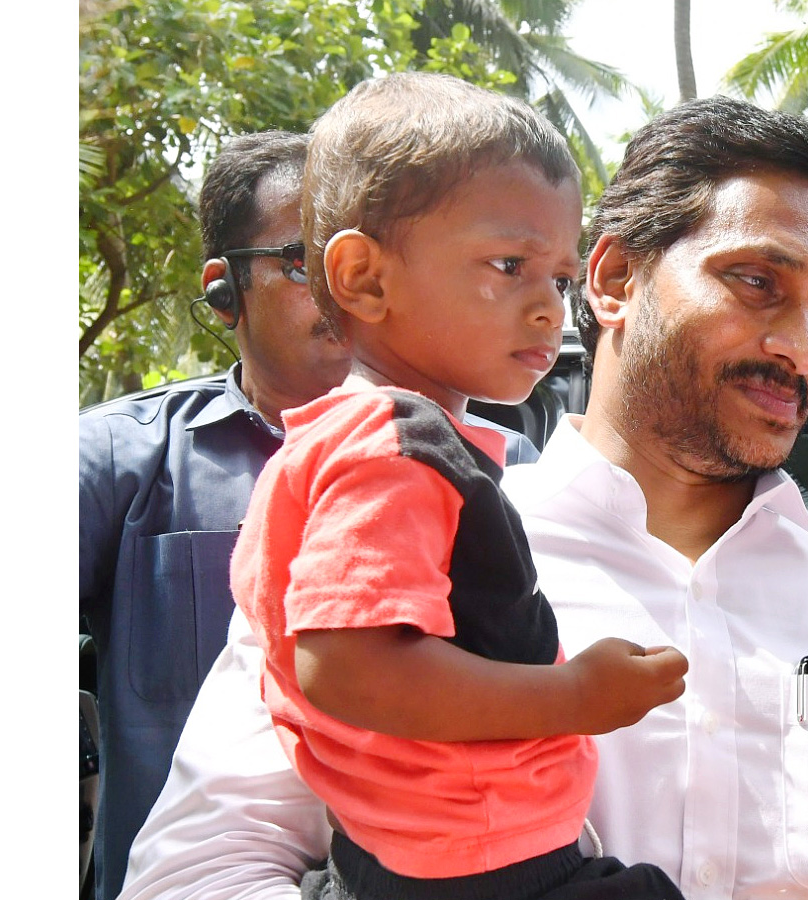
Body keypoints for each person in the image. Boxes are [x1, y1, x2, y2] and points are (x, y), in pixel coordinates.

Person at [122, 96, 808, 900]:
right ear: (614, 281)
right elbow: (199, 869)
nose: (799, 351)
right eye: (756, 283)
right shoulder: (404, 536)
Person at [233, 73, 690, 900]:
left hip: (402, 852)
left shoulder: (354, 441)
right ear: (364, 279)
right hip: (477, 865)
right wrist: (574, 694)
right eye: (509, 265)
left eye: (556, 276)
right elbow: (348, 667)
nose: (551, 308)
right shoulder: (394, 446)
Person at [78, 131, 537, 900]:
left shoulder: (509, 470)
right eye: (303, 260)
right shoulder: (118, 459)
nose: (344, 287)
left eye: (369, 259)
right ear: (225, 291)